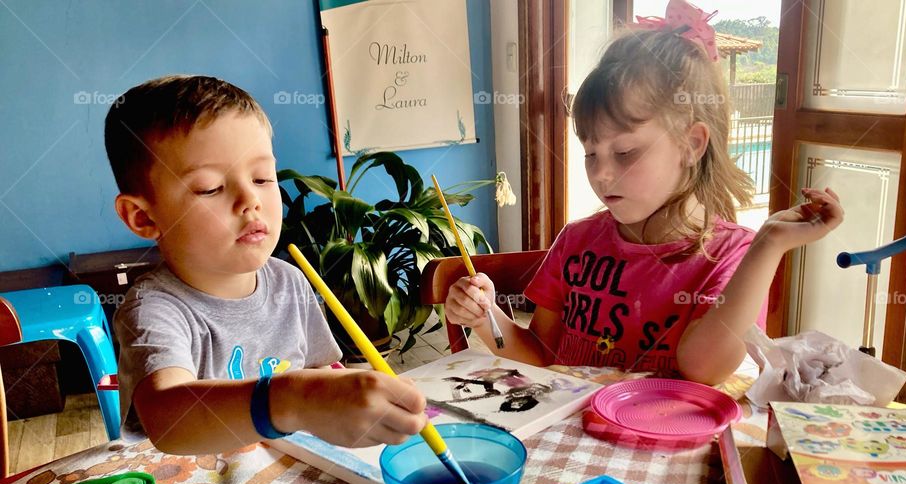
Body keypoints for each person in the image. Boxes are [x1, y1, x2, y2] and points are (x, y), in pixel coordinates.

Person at [444, 1, 843, 384]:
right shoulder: (576, 242)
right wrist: (486, 318)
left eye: (625, 152)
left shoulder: (733, 257)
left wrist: (769, 244)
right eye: (590, 153)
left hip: (661, 449)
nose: (601, 173)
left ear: (692, 144)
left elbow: (703, 370)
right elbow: (541, 353)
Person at [106, 75, 426, 455]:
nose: (250, 201)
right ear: (143, 218)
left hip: (295, 474)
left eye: (262, 177)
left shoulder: (290, 281)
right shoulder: (155, 309)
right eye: (210, 188)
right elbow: (168, 420)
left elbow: (320, 373)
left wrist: (355, 400)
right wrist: (292, 399)